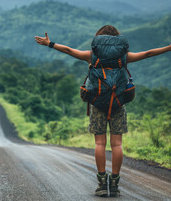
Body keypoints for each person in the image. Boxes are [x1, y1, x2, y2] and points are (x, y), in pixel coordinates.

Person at [35, 25, 171, 197]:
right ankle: (114, 184)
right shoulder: (124, 57)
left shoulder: (92, 56)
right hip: (118, 104)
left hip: (97, 103)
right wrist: (169, 47)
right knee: (117, 144)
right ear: (117, 41)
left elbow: (69, 50)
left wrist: (50, 43)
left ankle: (101, 184)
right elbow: (148, 53)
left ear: (99, 40)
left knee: (100, 144)